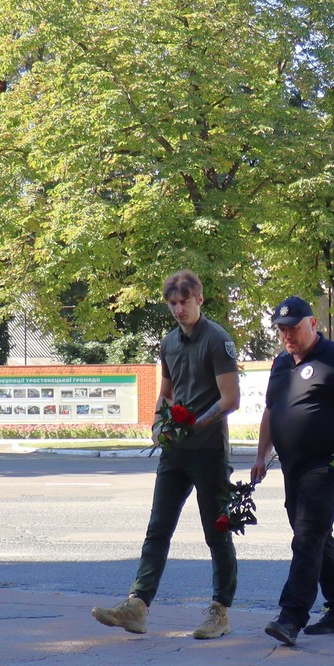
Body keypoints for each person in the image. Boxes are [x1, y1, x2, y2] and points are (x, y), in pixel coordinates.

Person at [91, 270, 240, 640]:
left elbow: (230, 399)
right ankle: (137, 607)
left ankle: (220, 612)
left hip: (208, 451)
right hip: (175, 453)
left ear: (199, 299)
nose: (178, 309)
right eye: (172, 303)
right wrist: (158, 425)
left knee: (217, 532)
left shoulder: (217, 339)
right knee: (157, 529)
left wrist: (197, 425)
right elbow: (167, 394)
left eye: (184, 302)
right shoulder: (169, 342)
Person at [252, 296, 334, 647]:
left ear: (313, 324)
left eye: (293, 328)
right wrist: (261, 455)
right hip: (292, 466)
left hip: (327, 464)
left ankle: (292, 615)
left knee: (308, 535)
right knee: (315, 535)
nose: (287, 335)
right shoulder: (281, 363)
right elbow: (271, 410)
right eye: (281, 329)